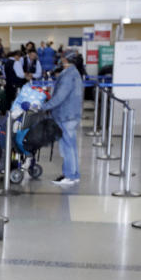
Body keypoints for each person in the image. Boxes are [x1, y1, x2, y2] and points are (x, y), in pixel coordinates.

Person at [42, 51, 83, 186]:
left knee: (67, 147)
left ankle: (69, 175)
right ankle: (74, 174)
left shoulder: (68, 75)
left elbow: (60, 97)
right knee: (71, 145)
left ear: (65, 59)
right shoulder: (73, 72)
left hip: (66, 115)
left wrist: (44, 106)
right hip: (71, 114)